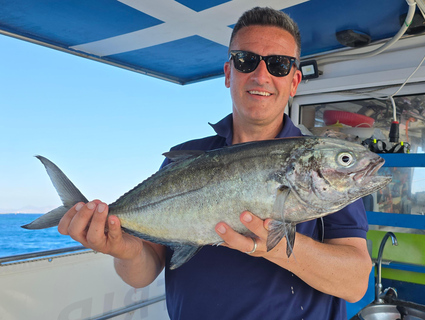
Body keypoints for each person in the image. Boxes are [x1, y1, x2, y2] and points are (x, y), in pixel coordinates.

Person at [57, 7, 372, 319]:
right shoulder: (183, 159)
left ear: (294, 81)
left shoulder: (322, 168)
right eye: (246, 60)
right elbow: (142, 272)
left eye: (278, 65)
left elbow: (355, 283)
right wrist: (123, 249)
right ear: (228, 73)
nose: (261, 75)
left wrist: (272, 247)